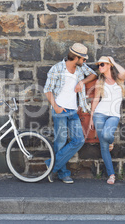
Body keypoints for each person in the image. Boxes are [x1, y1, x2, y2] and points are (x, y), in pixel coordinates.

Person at [44, 43, 97, 184]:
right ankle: (63, 174)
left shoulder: (80, 68)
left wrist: (82, 82)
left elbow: (93, 74)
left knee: (78, 140)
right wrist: (55, 107)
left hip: (73, 110)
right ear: (76, 57)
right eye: (83, 59)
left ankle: (51, 165)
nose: (85, 62)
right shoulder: (57, 68)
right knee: (60, 142)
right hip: (60, 110)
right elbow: (47, 90)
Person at [89, 56, 125, 185]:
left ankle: (111, 141)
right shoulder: (99, 82)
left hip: (113, 115)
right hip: (99, 114)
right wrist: (91, 118)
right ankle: (111, 175)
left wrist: (113, 61)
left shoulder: (119, 80)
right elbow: (95, 100)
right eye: (99, 65)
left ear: (109, 65)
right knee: (103, 146)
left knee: (106, 135)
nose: (100, 67)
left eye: (103, 64)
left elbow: (123, 73)